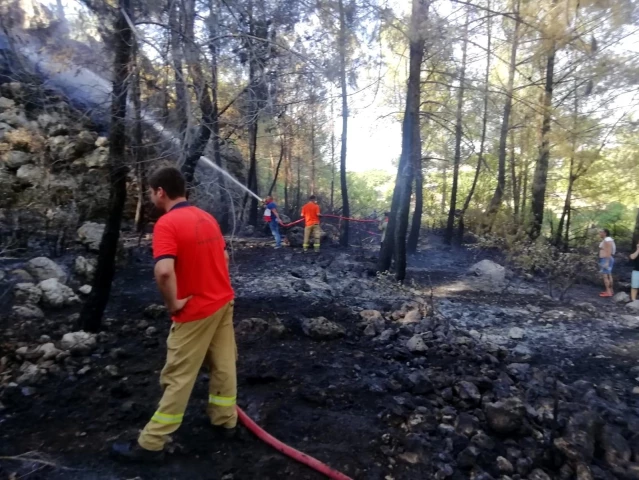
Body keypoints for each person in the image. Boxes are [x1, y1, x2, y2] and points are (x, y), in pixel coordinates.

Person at [112, 167, 237, 461]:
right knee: (224, 365)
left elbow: (165, 271)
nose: (150, 196)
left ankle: (151, 443)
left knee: (178, 376)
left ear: (160, 192)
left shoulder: (167, 224)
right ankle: (225, 421)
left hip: (195, 311)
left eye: (150, 192)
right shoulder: (207, 218)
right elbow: (224, 257)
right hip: (223, 303)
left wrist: (173, 304)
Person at [598, 228, 616, 297]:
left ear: (605, 233)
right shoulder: (607, 240)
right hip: (606, 259)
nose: (599, 233)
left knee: (605, 276)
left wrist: (607, 262)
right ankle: (610, 291)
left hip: (606, 259)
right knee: (609, 275)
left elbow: (609, 251)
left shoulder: (607, 240)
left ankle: (608, 292)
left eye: (601, 232)